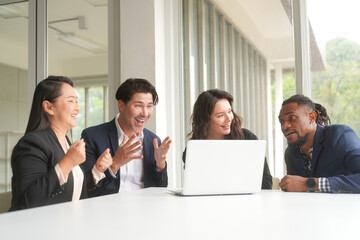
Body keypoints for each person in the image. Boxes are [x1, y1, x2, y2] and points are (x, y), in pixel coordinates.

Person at [10, 76, 112, 211]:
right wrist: (68, 162)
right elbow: (28, 201)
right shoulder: (32, 143)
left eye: (77, 102)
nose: (77, 109)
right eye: (71, 101)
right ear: (49, 107)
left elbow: (71, 190)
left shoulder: (65, 142)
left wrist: (97, 170)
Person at [81, 78, 171, 196]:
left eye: (149, 106)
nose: (145, 113)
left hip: (145, 210)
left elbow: (160, 189)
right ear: (121, 105)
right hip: (107, 210)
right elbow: (85, 189)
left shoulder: (153, 141)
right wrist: (115, 163)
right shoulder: (93, 137)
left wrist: (160, 166)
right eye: (138, 106)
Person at [183, 89, 273, 189]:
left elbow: (266, 182)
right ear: (205, 120)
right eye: (220, 115)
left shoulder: (247, 138)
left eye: (229, 111)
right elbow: (194, 188)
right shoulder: (194, 150)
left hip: (247, 201)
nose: (229, 118)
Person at [278, 94, 360, 193]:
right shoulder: (291, 153)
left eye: (292, 118)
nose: (284, 127)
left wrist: (309, 184)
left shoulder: (340, 135)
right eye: (282, 122)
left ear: (312, 117)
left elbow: (303, 185)